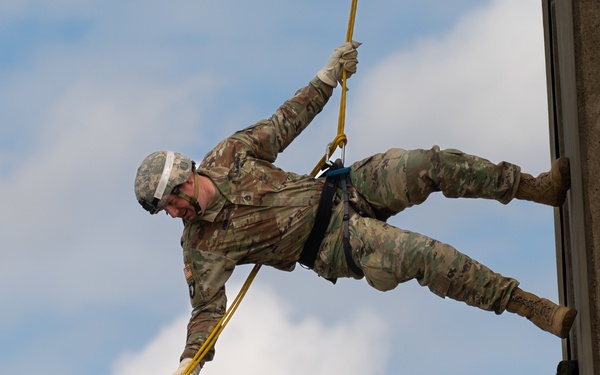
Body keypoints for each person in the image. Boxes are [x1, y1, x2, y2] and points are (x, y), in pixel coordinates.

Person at [134, 41, 577, 375]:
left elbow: (284, 123)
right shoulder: (201, 246)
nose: (173, 213)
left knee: (428, 164)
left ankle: (535, 187)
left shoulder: (229, 155)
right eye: (164, 211)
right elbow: (206, 311)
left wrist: (327, 78)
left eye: (170, 202)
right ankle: (528, 306)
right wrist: (191, 359)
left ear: (185, 178)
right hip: (337, 244)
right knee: (426, 256)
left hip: (343, 189)